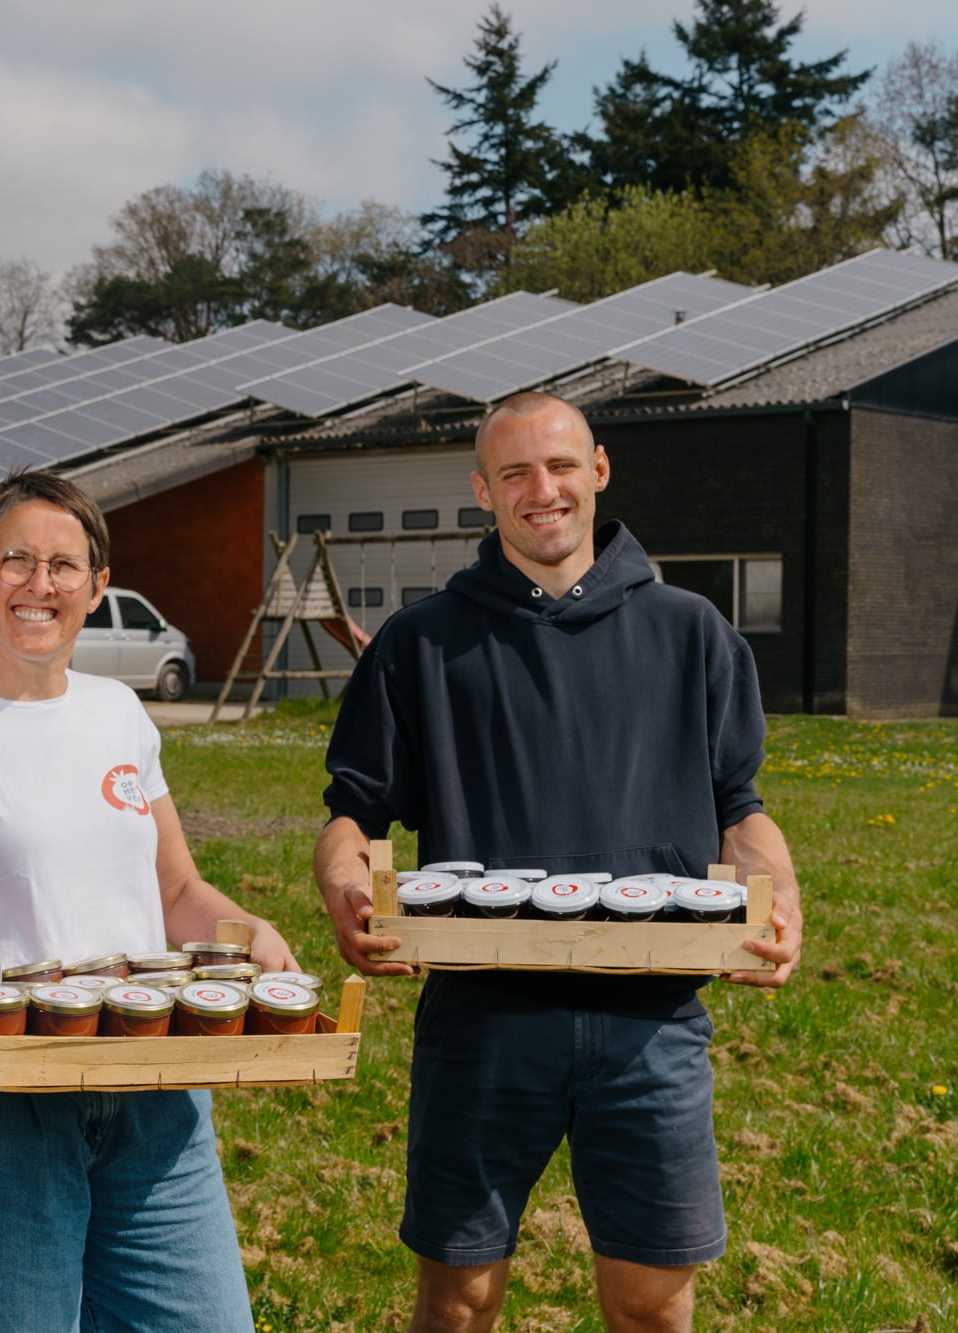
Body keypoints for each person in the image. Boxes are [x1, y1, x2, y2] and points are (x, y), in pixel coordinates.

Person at [312, 391, 803, 1333]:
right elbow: (355, 813)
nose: (544, 490)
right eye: (516, 473)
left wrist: (778, 899)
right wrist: (345, 881)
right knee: (458, 1299)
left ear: (600, 470)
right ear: (483, 491)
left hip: (652, 1024)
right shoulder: (422, 644)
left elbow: (742, 810)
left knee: (654, 1304)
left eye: (562, 466)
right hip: (484, 1022)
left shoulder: (692, 632)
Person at [0, 470, 296, 1333]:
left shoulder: (120, 712)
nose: (40, 584)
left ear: (98, 587)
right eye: (18, 560)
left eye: (65, 565)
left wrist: (245, 928)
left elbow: (173, 886)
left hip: (150, 1088)